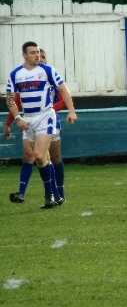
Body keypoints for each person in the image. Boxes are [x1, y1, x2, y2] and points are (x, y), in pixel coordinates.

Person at [6, 41, 78, 208]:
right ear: (24, 55)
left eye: (38, 52)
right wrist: (18, 118)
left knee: (40, 155)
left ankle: (50, 194)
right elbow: (10, 99)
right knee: (39, 159)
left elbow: (64, 90)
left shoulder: (47, 70)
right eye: (33, 52)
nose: (37, 55)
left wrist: (72, 111)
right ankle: (49, 195)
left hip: (45, 116)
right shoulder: (16, 74)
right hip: (28, 118)